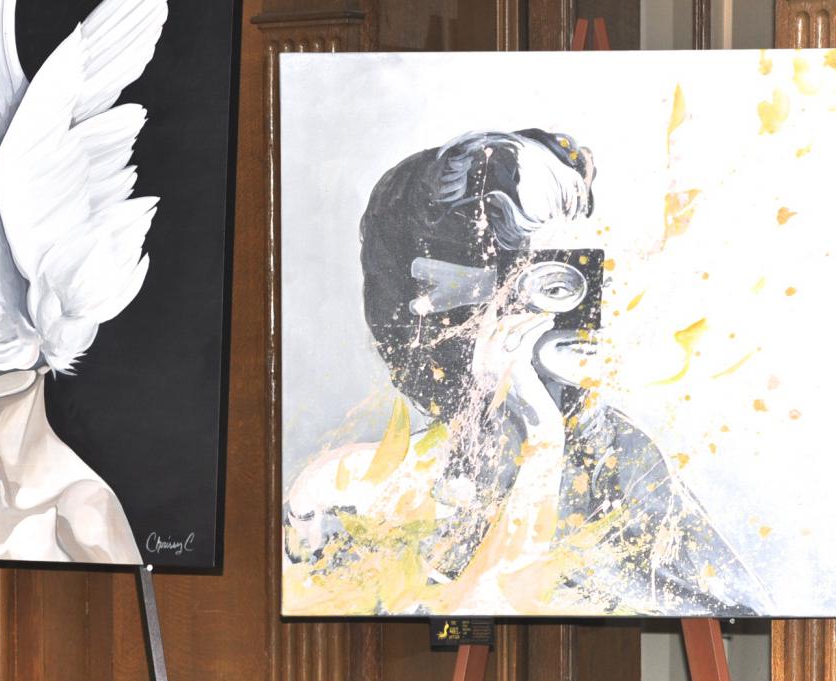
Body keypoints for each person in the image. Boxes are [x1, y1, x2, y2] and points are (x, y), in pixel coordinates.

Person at [284, 130, 772, 615]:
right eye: (545, 282)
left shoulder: (619, 456)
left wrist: (544, 431)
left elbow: (740, 614)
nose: (581, 308)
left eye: (580, 270)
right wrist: (537, 433)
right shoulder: (341, 488)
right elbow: (473, 611)